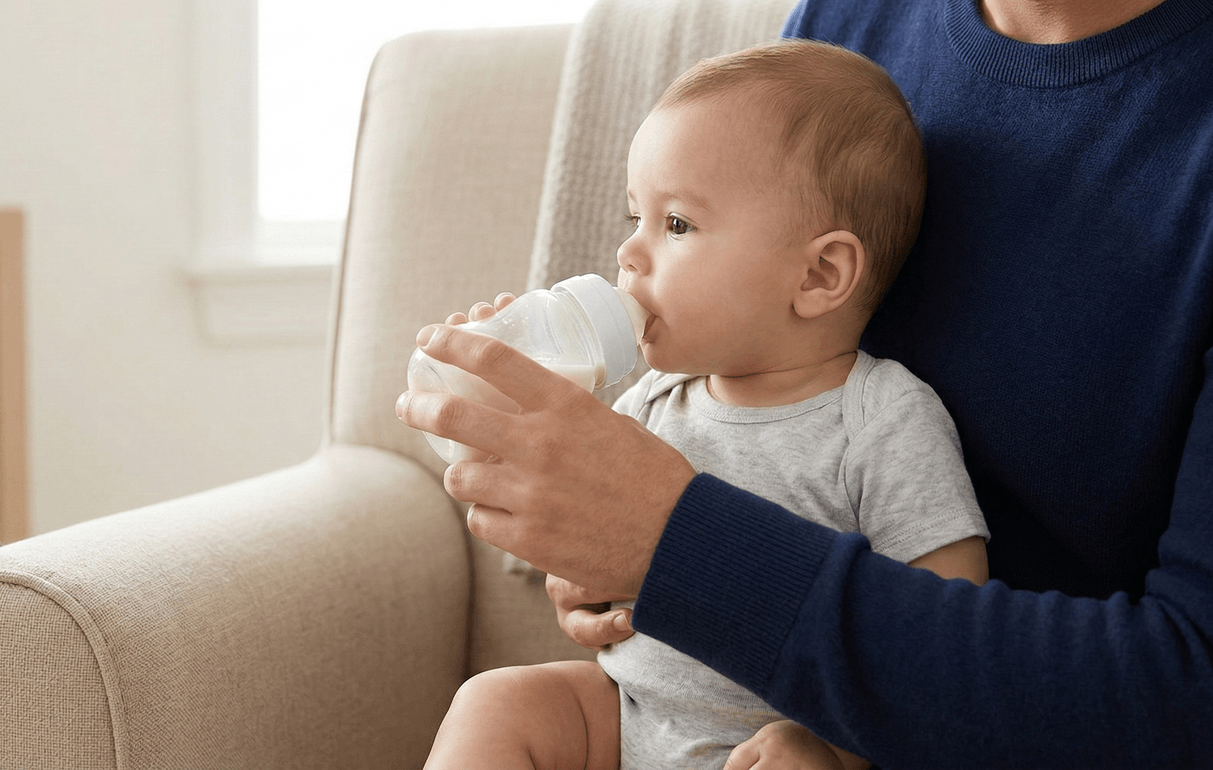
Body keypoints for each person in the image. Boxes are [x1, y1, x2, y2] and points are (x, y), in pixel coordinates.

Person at [396, 0, 1213, 766]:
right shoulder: (845, 34)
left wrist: (672, 546)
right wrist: (599, 541)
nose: (637, 251)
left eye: (673, 225)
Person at [421, 40, 990, 770]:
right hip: (627, 718)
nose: (629, 254)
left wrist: (836, 751)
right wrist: (495, 380)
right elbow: (550, 502)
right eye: (635, 217)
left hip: (774, 739)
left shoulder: (881, 419)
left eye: (677, 224)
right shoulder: (654, 397)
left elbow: (941, 639)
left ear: (819, 274)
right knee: (498, 702)